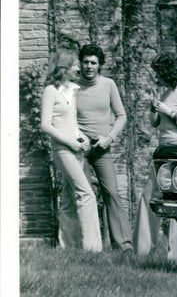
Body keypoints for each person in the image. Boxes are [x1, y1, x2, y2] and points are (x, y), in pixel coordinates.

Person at [134, 52, 177, 263]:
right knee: (148, 196)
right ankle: (142, 249)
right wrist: (153, 109)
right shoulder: (164, 93)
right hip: (162, 151)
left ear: (167, 72)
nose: (155, 76)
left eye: (158, 72)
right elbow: (154, 123)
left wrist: (169, 112)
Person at [40, 48, 103, 252]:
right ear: (65, 67)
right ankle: (92, 248)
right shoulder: (51, 90)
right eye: (76, 64)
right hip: (63, 150)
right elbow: (46, 125)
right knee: (87, 194)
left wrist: (82, 139)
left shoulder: (72, 90)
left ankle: (68, 246)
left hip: (76, 149)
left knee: (68, 199)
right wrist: (71, 142)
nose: (79, 67)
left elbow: (72, 122)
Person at [75, 44, 133, 252]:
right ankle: (83, 246)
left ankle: (124, 246)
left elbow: (121, 116)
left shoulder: (109, 85)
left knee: (112, 193)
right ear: (80, 63)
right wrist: (78, 137)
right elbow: (64, 117)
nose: (89, 66)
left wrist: (109, 138)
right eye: (86, 62)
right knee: (81, 195)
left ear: (100, 65)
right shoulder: (72, 87)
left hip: (102, 148)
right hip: (78, 148)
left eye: (93, 63)